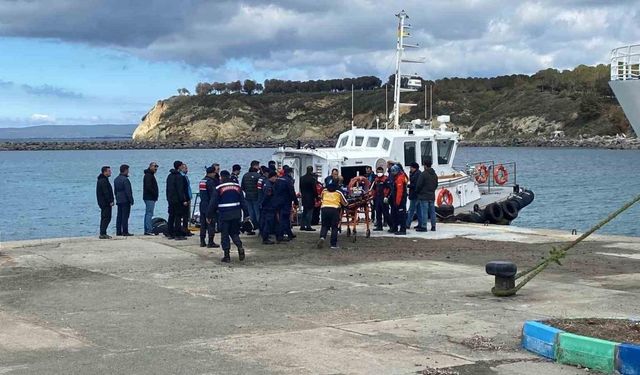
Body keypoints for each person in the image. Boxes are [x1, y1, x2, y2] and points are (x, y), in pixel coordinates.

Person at [207, 170, 249, 262]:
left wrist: (209, 215)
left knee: (225, 235)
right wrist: (246, 214)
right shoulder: (237, 187)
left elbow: (212, 203)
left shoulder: (219, 188)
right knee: (234, 233)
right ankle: (239, 246)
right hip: (236, 214)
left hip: (224, 215)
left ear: (221, 177)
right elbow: (243, 202)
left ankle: (227, 256)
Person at [316, 183, 347, 249]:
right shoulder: (338, 192)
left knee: (324, 225)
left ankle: (322, 237)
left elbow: (321, 198)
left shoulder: (324, 191)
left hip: (324, 209)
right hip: (334, 209)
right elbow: (345, 202)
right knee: (334, 227)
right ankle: (333, 244)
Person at [273, 165, 298, 242]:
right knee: (284, 219)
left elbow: (274, 190)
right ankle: (280, 236)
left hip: (278, 201)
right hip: (286, 202)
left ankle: (289, 233)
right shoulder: (288, 180)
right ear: (290, 173)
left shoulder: (278, 179)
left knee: (282, 218)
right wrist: (295, 201)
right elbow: (291, 192)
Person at [166, 161, 189, 240]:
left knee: (171, 216)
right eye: (182, 165)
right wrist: (184, 200)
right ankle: (178, 234)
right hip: (178, 200)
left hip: (171, 199)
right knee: (178, 216)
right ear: (179, 167)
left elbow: (167, 189)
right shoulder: (179, 176)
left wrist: (168, 198)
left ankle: (170, 232)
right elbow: (180, 190)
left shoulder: (169, 176)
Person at [416, 158, 439, 232]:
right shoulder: (434, 174)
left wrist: (418, 192)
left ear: (425, 165)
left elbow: (419, 185)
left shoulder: (423, 174)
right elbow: (436, 185)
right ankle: (433, 226)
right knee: (432, 212)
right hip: (432, 195)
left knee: (424, 212)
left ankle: (424, 226)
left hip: (424, 195)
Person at [198, 166, 220, 248]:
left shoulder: (202, 181)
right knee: (211, 223)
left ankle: (202, 241)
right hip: (209, 205)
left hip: (202, 204)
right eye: (214, 173)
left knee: (203, 224)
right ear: (211, 173)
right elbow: (213, 196)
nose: (215, 174)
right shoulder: (210, 182)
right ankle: (210, 242)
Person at [241, 163, 261, 235]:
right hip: (256, 197)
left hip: (248, 197)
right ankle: (260, 228)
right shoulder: (258, 176)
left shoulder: (245, 175)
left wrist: (247, 192)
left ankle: (251, 227)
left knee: (251, 213)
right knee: (258, 213)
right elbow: (260, 187)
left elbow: (242, 187)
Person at [114, 164, 134, 236]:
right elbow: (128, 191)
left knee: (119, 216)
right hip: (125, 200)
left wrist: (116, 198)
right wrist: (131, 200)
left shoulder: (116, 179)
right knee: (125, 216)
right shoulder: (125, 180)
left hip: (119, 200)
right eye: (128, 170)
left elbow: (115, 191)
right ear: (125, 170)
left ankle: (118, 231)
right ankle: (125, 231)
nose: (128, 172)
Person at [259, 171, 278, 245]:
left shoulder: (267, 183)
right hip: (269, 206)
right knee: (268, 222)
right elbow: (267, 197)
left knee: (266, 221)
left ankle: (265, 236)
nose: (276, 178)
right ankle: (265, 238)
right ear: (272, 177)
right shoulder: (269, 186)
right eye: (275, 177)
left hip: (268, 206)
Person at [389, 164, 408, 235]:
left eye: (393, 172)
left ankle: (403, 230)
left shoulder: (400, 179)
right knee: (395, 214)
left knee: (401, 215)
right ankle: (395, 227)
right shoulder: (398, 177)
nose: (392, 173)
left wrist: (397, 202)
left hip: (400, 200)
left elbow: (400, 192)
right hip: (397, 199)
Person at [96, 166, 114, 239]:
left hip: (103, 203)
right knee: (106, 217)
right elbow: (106, 192)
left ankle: (103, 232)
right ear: (105, 172)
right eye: (109, 171)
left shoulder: (103, 179)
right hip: (105, 203)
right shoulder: (103, 180)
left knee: (104, 217)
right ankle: (103, 233)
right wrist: (110, 201)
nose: (110, 172)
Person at [371, 166, 391, 231]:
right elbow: (373, 189)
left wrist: (386, 196)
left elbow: (389, 188)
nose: (379, 173)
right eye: (378, 172)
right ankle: (379, 226)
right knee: (378, 212)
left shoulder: (386, 179)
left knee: (386, 213)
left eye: (380, 171)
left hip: (383, 197)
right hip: (377, 198)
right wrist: (372, 198)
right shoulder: (376, 180)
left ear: (383, 172)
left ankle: (391, 226)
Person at [406, 162, 424, 230]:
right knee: (419, 210)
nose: (410, 169)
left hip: (414, 194)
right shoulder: (418, 173)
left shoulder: (416, 174)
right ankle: (420, 223)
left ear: (414, 168)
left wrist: (408, 185)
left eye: (411, 167)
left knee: (411, 210)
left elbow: (415, 185)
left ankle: (408, 224)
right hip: (418, 194)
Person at [299, 166, 318, 231]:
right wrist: (317, 197)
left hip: (304, 196)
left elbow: (300, 188)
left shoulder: (302, 178)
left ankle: (302, 225)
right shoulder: (312, 179)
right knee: (310, 212)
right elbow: (314, 189)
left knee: (304, 211)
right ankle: (308, 226)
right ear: (312, 170)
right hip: (310, 197)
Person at [143, 162, 159, 235]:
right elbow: (148, 187)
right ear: (150, 167)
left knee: (148, 213)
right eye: (154, 166)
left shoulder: (150, 175)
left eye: (156, 167)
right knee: (149, 213)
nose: (155, 168)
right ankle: (148, 230)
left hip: (150, 197)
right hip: (149, 197)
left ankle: (147, 229)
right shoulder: (148, 175)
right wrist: (154, 193)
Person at [180, 163, 193, 236]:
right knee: (185, 215)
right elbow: (183, 189)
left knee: (187, 215)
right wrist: (184, 199)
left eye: (187, 168)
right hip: (185, 198)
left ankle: (186, 228)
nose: (186, 170)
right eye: (185, 168)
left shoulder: (185, 176)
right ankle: (184, 229)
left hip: (188, 197)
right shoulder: (182, 177)